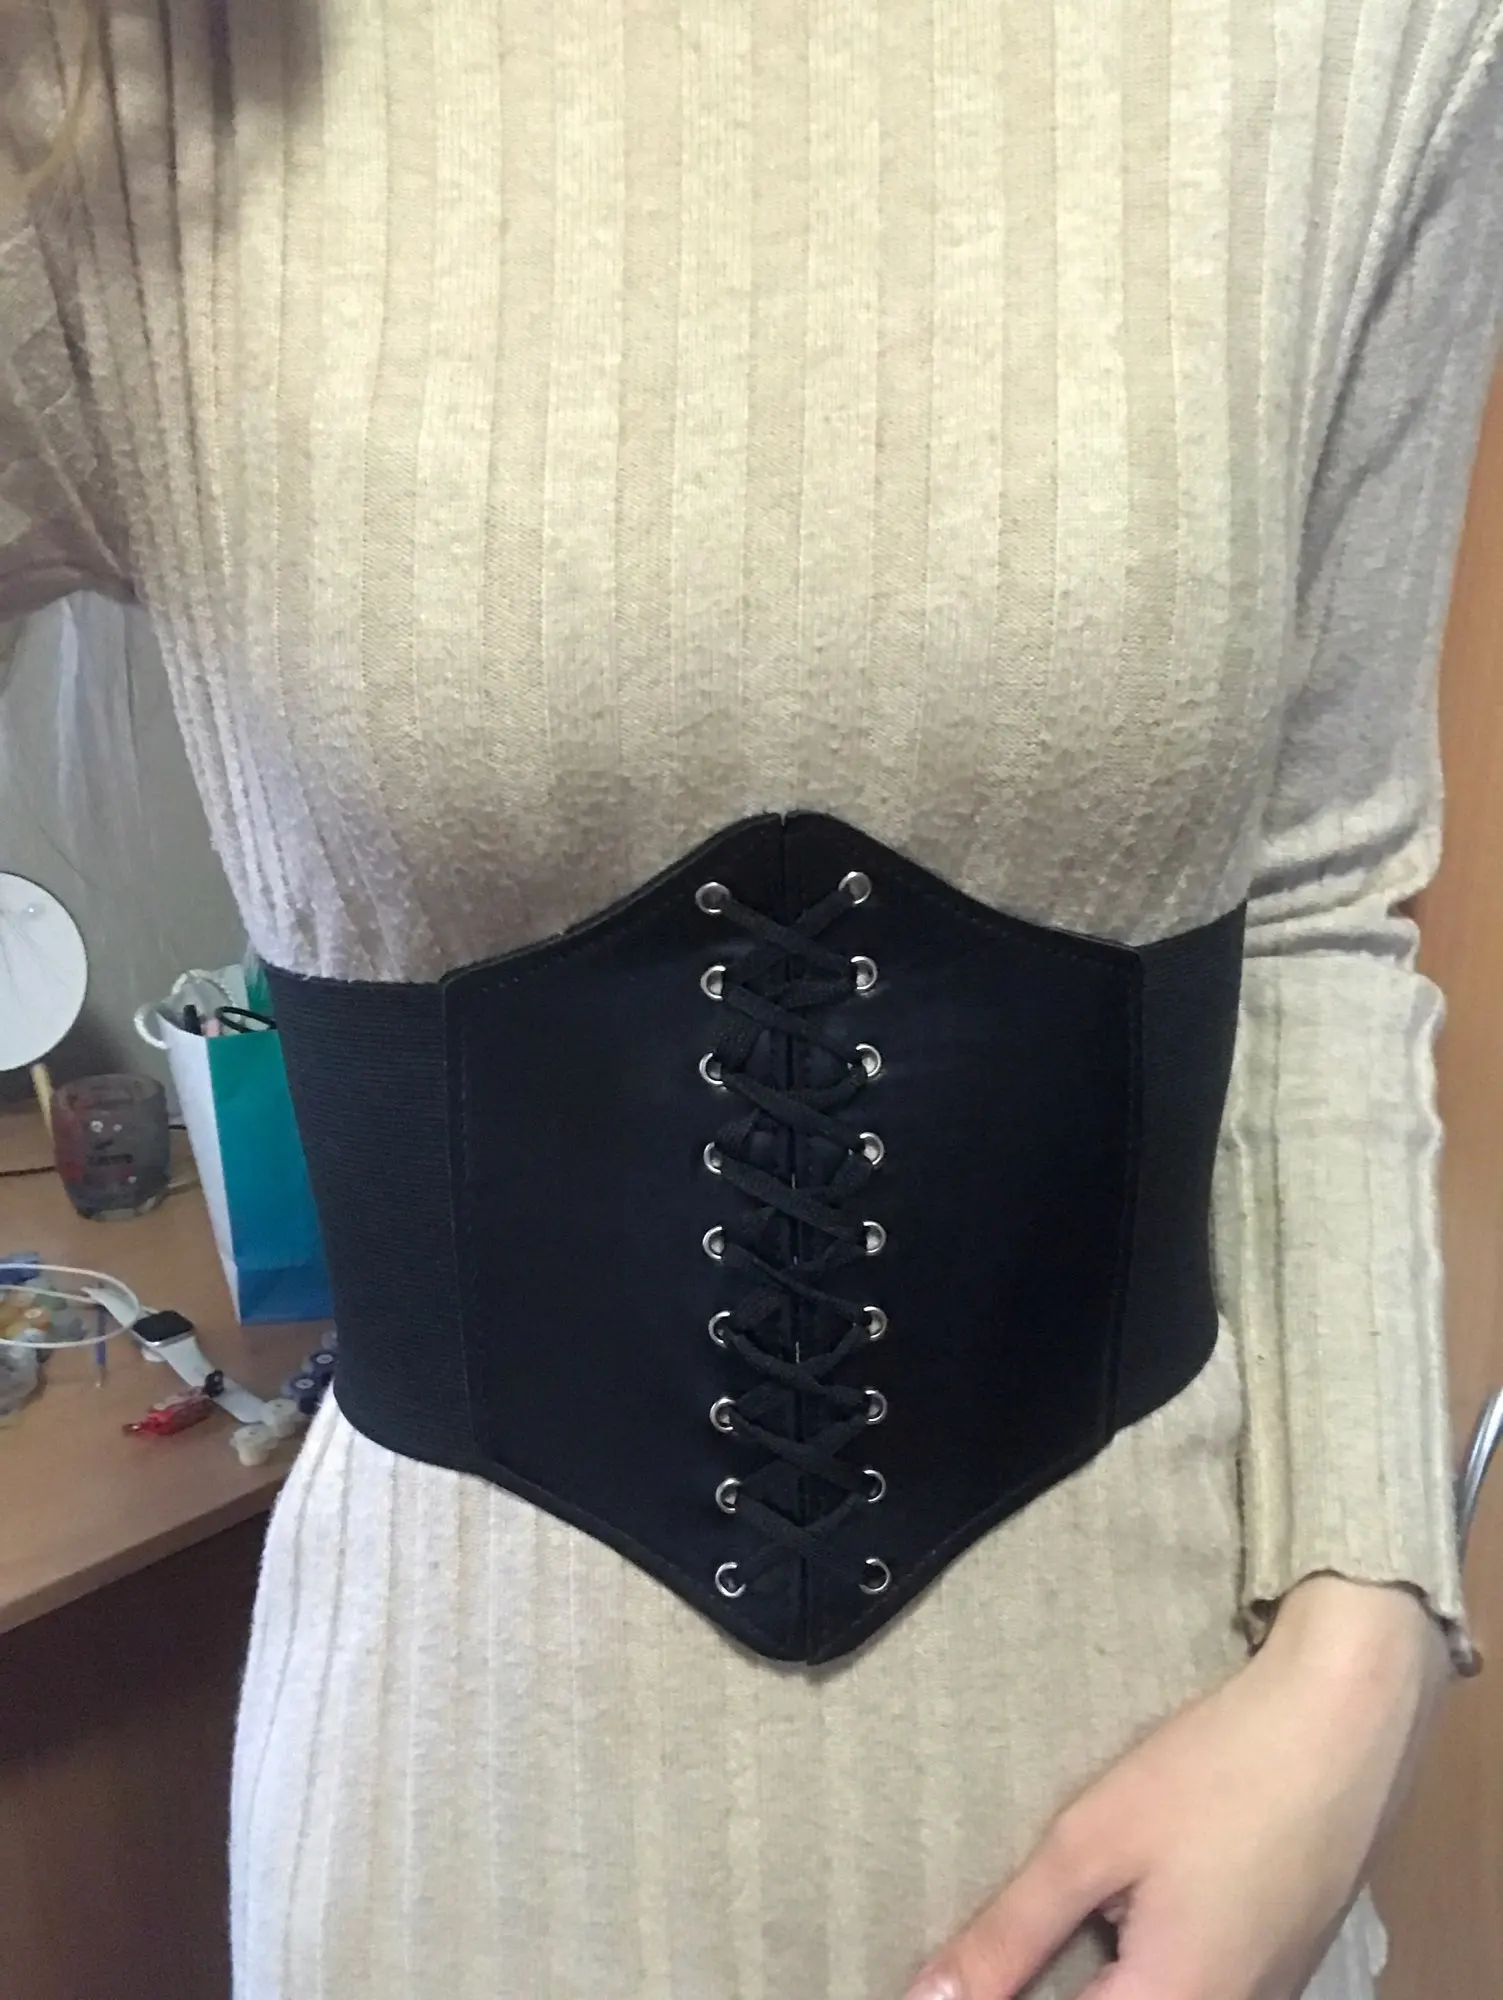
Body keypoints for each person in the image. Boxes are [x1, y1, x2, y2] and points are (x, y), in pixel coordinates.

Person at [3, 4, 1501, 1996]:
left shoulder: (1365, 41)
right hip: (449, 1844)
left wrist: (1363, 1636)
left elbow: (1315, 893)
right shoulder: (119, 63)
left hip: (1177, 1820)